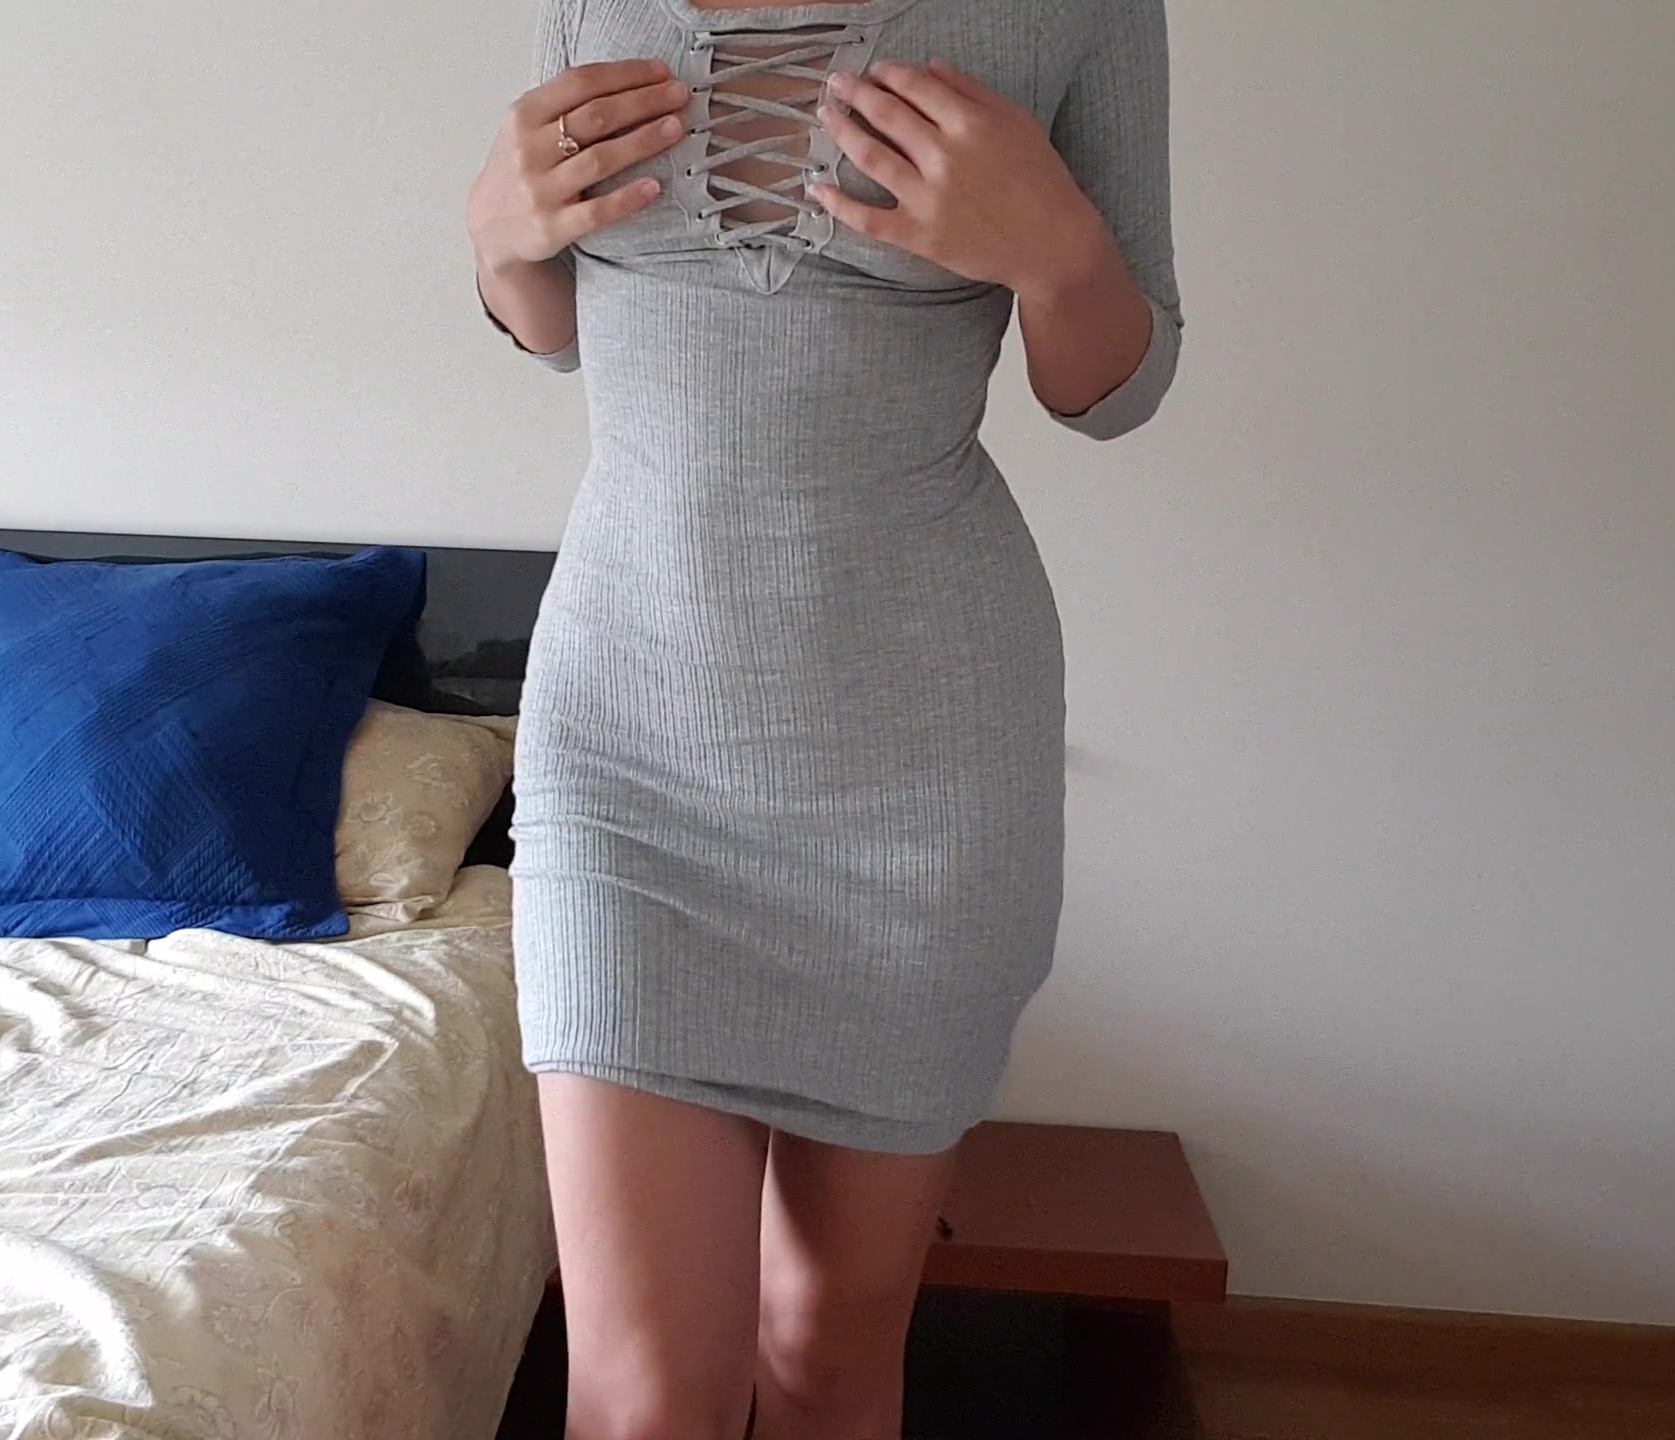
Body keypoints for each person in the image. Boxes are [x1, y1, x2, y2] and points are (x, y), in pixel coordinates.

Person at [468, 1, 1179, 1435]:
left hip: (918, 762)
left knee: (825, 1349)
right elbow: (556, 327)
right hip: (629, 742)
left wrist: (1060, 255)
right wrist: (497, 239)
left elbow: (1111, 389)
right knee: (642, 1397)